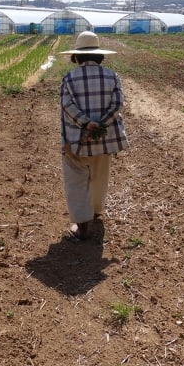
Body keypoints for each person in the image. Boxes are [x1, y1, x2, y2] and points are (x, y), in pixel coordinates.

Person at [58, 31, 129, 241]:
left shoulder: (69, 78)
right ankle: (96, 211)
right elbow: (118, 104)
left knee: (76, 179)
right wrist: (101, 124)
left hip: (76, 140)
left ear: (77, 56)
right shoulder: (112, 76)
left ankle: (83, 225)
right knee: (100, 176)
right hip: (105, 139)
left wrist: (86, 123)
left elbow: (67, 106)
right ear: (100, 56)